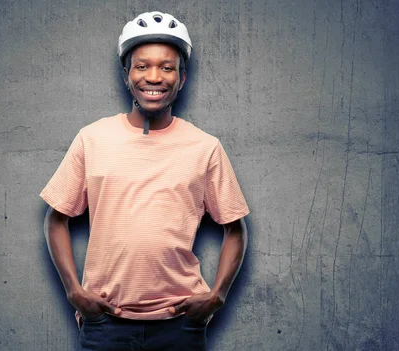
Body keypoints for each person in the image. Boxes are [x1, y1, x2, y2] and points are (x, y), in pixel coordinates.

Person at [40, 11, 249, 351]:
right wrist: (74, 292)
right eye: (142, 66)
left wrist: (217, 296)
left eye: (167, 67)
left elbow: (235, 228)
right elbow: (56, 218)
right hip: (105, 325)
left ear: (182, 78)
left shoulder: (205, 147)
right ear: (126, 75)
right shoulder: (92, 138)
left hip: (181, 326)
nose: (154, 77)